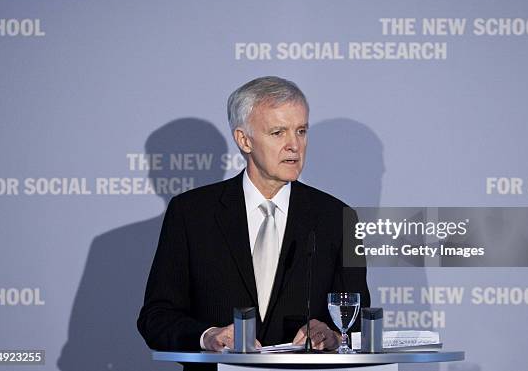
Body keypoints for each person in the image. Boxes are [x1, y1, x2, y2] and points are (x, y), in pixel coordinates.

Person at [137, 76, 370, 356]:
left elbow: (359, 320)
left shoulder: (338, 217)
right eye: (278, 133)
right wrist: (208, 336)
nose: (294, 146)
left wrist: (333, 335)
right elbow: (157, 317)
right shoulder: (190, 214)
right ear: (244, 140)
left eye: (301, 131)